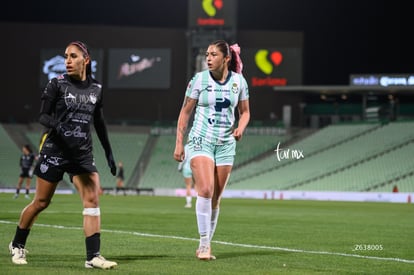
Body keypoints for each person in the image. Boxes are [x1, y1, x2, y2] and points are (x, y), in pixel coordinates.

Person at [8, 41, 118, 269]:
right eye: (66, 56)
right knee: (41, 202)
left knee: (92, 200)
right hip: (55, 151)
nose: (67, 60)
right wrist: (57, 126)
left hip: (82, 154)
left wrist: (108, 152)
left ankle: (93, 256)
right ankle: (17, 244)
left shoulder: (96, 88)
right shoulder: (56, 84)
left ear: (85, 60)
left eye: (73, 56)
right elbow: (42, 116)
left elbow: (99, 122)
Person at [173, 40, 250, 260]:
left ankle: (204, 244)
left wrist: (240, 128)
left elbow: (245, 112)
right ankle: (205, 245)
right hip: (200, 140)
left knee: (215, 198)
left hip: (226, 144)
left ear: (226, 58)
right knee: (205, 190)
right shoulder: (198, 80)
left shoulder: (239, 82)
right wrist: (179, 142)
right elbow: (185, 112)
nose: (208, 58)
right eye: (207, 54)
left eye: (213, 54)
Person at [177, 143, 194, 208]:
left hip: (187, 168)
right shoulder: (198, 145)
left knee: (188, 186)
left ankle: (189, 203)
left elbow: (183, 158)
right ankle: (201, 204)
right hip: (196, 167)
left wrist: (179, 167)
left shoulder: (186, 147)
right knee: (199, 186)